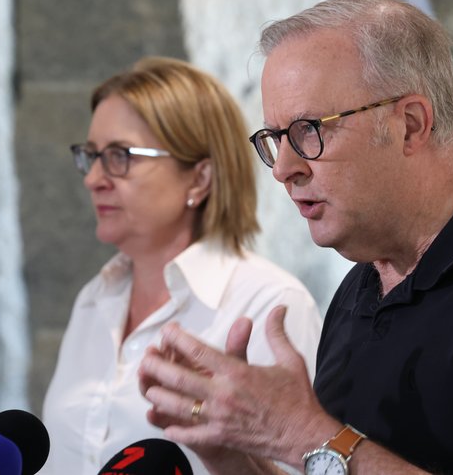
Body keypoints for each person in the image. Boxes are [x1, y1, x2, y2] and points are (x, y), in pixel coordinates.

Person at [137, 0, 453, 474]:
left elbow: (323, 447)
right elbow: (332, 467)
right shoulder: (362, 284)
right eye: (275, 138)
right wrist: (237, 453)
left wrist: (300, 432)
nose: (284, 168)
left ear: (411, 124)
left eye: (309, 130)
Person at [40, 56, 323, 475]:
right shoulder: (94, 299)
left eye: (119, 156)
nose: (93, 178)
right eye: (91, 155)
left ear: (199, 178)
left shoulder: (269, 305)